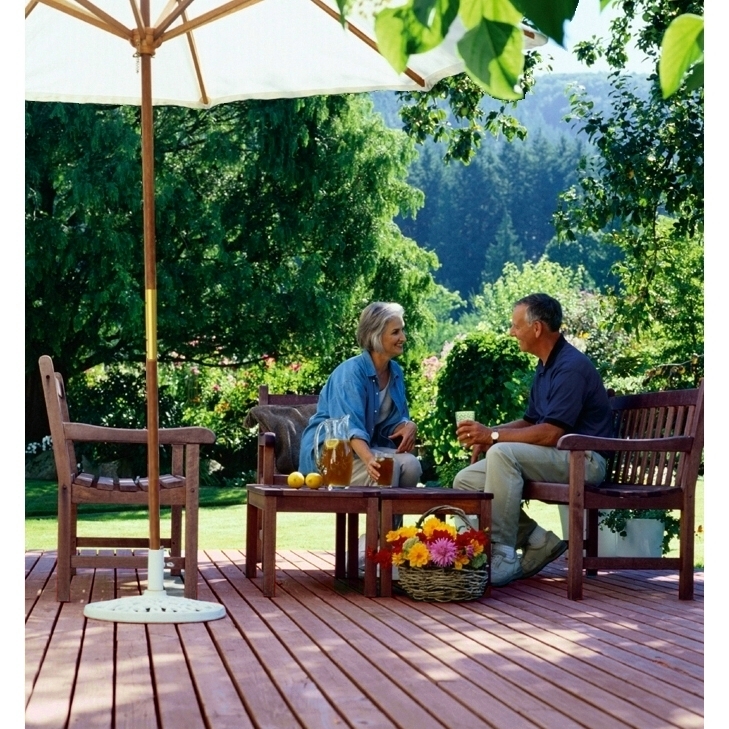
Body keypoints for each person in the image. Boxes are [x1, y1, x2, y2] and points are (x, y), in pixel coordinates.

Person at [453, 293, 613, 587]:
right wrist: (486, 432)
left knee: (502, 453)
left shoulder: (570, 367)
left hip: (586, 459)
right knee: (465, 481)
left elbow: (552, 432)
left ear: (537, 328)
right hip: (563, 456)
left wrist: (493, 437)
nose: (512, 332)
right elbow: (531, 421)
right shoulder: (545, 366)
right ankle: (537, 540)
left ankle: (503, 554)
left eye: (516, 326)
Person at [299, 302, 421, 489]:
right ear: (376, 336)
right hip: (332, 456)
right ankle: (382, 519)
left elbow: (391, 425)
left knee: (412, 465)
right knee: (388, 469)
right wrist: (370, 459)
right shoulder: (350, 374)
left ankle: (391, 519)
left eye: (402, 330)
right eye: (396, 332)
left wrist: (407, 425)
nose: (403, 337)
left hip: (364, 450)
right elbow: (349, 427)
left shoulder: (395, 372)